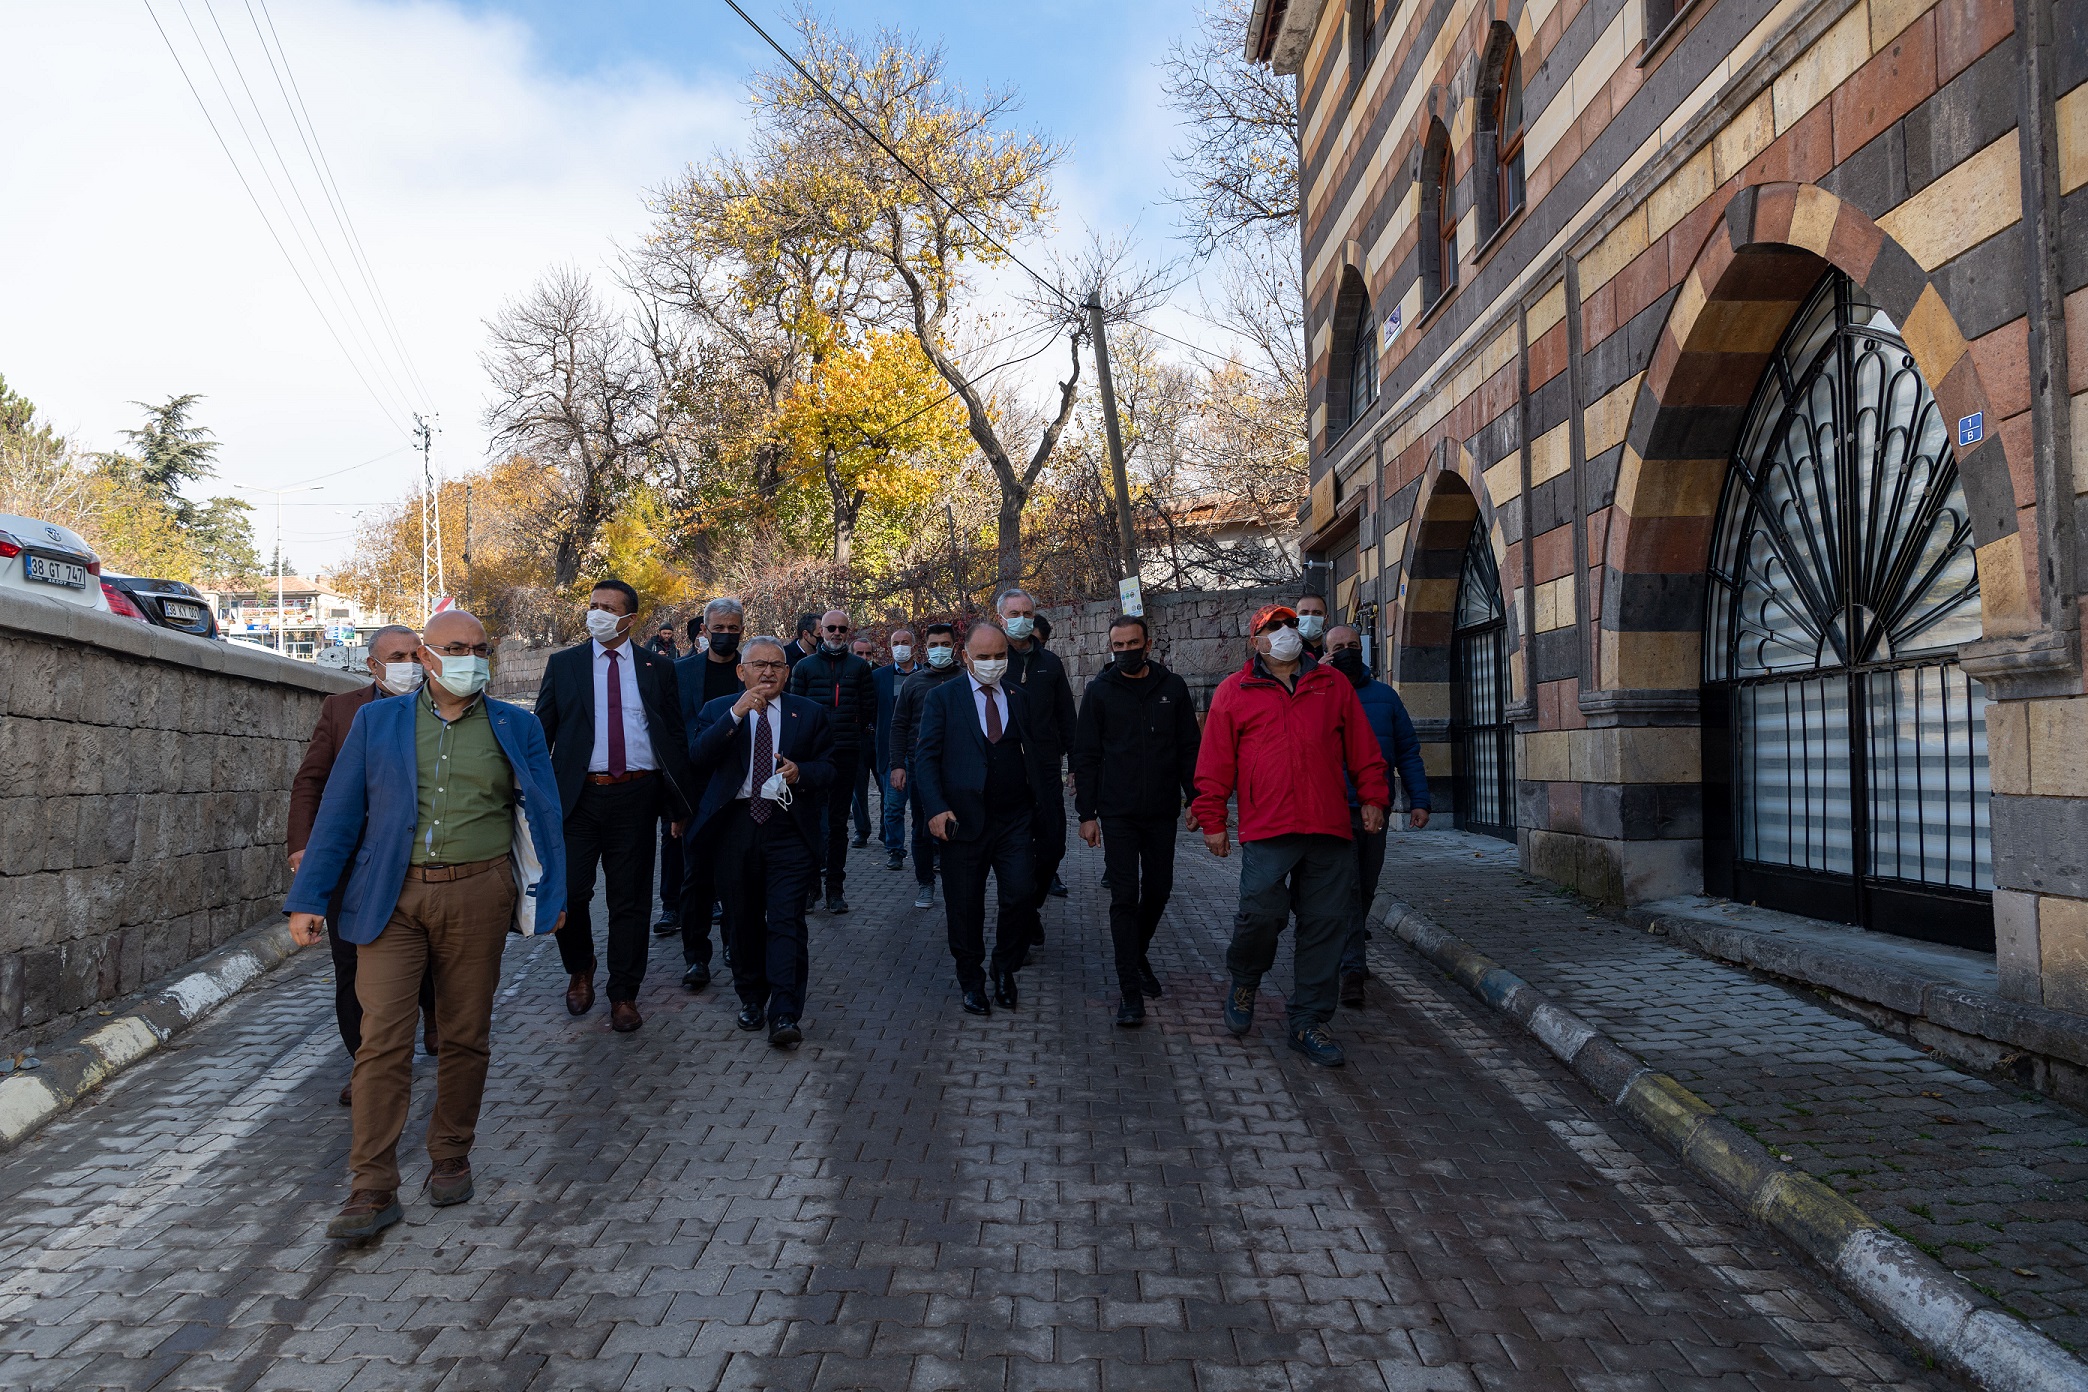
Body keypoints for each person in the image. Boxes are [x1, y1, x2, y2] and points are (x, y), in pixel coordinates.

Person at [285, 608, 567, 1240]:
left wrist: (555, 897)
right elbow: (338, 812)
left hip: (478, 894)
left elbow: (546, 815)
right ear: (427, 656)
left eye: (479, 647)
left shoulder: (514, 725)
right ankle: (371, 1186)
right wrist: (309, 897)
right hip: (391, 897)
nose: (470, 658)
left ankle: (450, 1155)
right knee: (383, 1038)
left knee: (465, 1034)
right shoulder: (375, 722)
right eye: (454, 648)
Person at [1193, 603, 1389, 1068]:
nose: (1285, 632)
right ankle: (1245, 980)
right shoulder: (1233, 692)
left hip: (1328, 825)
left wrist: (1373, 797)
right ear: (1255, 641)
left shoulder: (1332, 684)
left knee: (1325, 926)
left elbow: (1363, 746)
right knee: (1260, 914)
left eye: (1290, 625)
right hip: (1268, 827)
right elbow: (1215, 763)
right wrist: (1213, 819)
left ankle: (1309, 1021)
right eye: (1273, 627)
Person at [534, 579, 696, 1032]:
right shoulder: (564, 665)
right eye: (593, 605)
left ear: (630, 619)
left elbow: (673, 738)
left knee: (630, 901)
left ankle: (624, 992)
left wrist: (678, 804)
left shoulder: (656, 668)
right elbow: (540, 732)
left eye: (607, 607)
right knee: (571, 894)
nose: (597, 613)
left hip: (636, 797)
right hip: (579, 798)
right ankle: (580, 967)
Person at [287, 624, 435, 1104]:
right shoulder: (342, 710)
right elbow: (311, 782)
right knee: (352, 965)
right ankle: (364, 1063)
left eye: (417, 655)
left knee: (429, 952)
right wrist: (303, 849)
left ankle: (434, 1015)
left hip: (418, 858)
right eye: (398, 657)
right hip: (352, 863)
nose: (410, 665)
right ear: (372, 665)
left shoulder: (443, 708)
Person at [687, 636, 834, 1048]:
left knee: (787, 921)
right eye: (758, 665)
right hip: (735, 828)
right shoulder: (718, 710)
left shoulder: (810, 713)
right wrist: (735, 715)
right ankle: (751, 998)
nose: (767, 672)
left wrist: (800, 771)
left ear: (788, 672)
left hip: (788, 829)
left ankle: (785, 1011)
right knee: (742, 920)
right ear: (742, 671)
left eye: (776, 665)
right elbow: (697, 757)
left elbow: (830, 769)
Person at [915, 621, 1056, 1016]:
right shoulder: (943, 698)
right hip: (962, 822)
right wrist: (936, 807)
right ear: (966, 657)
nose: (993, 663)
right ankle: (971, 980)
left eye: (999, 656)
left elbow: (1037, 754)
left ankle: (1004, 967)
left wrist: (1043, 806)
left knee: (1020, 896)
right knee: (964, 906)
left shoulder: (1019, 696)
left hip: (1014, 820)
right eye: (984, 657)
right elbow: (925, 758)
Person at [1072, 615, 1201, 1028]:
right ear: (1111, 647)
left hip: (1163, 810)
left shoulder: (1173, 688)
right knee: (1124, 896)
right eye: (1118, 645)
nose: (1125, 650)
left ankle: (1136, 952)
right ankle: (1130, 990)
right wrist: (1087, 814)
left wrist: (1197, 799)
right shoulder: (1099, 693)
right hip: (1118, 813)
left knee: (1159, 890)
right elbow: (1086, 756)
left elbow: (1188, 749)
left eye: (1132, 643)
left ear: (1148, 643)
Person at [1324, 624, 1431, 1006]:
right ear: (1326, 653)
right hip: (1333, 810)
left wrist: (1420, 800)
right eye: (1338, 647)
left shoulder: (1386, 698)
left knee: (1367, 886)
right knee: (1349, 889)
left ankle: (1347, 949)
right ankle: (1353, 969)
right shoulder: (1317, 695)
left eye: (1353, 645)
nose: (1347, 652)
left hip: (1375, 810)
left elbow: (1408, 752)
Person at [666, 598, 747, 989]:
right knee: (695, 879)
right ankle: (696, 956)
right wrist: (674, 801)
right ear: (704, 629)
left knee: (737, 876)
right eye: (719, 627)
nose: (726, 634)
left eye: (734, 629)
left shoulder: (750, 673)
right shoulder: (680, 673)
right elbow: (670, 738)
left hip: (740, 789)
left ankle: (736, 944)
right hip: (694, 791)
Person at [787, 608, 877, 913]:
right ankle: (811, 886)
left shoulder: (859, 668)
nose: (836, 633)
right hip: (812, 757)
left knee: (838, 824)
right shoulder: (804, 668)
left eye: (842, 629)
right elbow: (795, 710)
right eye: (830, 628)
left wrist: (854, 734)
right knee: (810, 819)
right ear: (820, 632)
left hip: (846, 753)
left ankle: (835, 889)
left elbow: (868, 709)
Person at [994, 588, 1077, 911]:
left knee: (1053, 845)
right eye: (1014, 614)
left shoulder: (1050, 663)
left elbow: (1066, 718)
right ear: (1000, 618)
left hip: (1045, 769)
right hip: (1006, 771)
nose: (1021, 620)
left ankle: (1031, 907)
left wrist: (1076, 765)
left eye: (1027, 614)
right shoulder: (993, 661)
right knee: (1013, 851)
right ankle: (1021, 920)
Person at [888, 622, 963, 910]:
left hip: (959, 768)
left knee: (958, 827)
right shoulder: (914, 682)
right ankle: (925, 882)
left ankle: (958, 885)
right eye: (934, 645)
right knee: (922, 829)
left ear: (955, 647)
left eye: (945, 644)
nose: (939, 650)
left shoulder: (966, 679)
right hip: (921, 768)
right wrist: (898, 765)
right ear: (925, 648)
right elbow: (899, 725)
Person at [873, 627, 921, 871]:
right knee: (892, 806)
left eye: (905, 641)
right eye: (895, 642)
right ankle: (895, 850)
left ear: (914, 646)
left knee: (922, 806)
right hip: (891, 752)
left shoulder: (926, 674)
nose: (900, 646)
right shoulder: (879, 677)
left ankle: (927, 850)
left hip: (920, 750)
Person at [848, 636, 877, 845]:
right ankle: (861, 830)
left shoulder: (881, 674)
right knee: (859, 788)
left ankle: (887, 831)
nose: (864, 657)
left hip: (878, 738)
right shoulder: (847, 674)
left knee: (887, 787)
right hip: (856, 739)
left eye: (868, 653)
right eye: (860, 653)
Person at [1295, 591, 1330, 658]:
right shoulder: (1288, 651)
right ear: (1295, 618)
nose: (1310, 617)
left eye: (1317, 613)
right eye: (1304, 613)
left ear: (1326, 619)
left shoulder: (1334, 648)